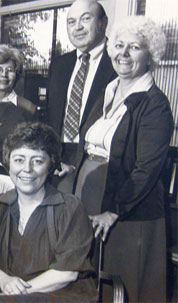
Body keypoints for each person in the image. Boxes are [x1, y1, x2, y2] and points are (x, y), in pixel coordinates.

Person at [74, 16, 173, 302]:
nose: (124, 54)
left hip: (128, 207)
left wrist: (114, 211)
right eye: (118, 45)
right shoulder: (109, 90)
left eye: (134, 47)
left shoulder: (155, 104)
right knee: (90, 279)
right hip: (90, 195)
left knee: (122, 282)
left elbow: (146, 169)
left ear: (150, 55)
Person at [0, 122, 97, 302]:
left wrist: (14, 293)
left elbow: (66, 274)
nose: (27, 169)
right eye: (19, 160)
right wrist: (3, 279)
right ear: (8, 163)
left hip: (62, 295)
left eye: (37, 161)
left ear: (51, 164)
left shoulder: (69, 208)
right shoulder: (0, 206)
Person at [47, 0, 116, 193]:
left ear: (103, 23)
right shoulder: (59, 65)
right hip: (59, 159)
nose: (77, 27)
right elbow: (50, 118)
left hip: (98, 162)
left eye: (86, 19)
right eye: (71, 21)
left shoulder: (119, 63)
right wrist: (52, 158)